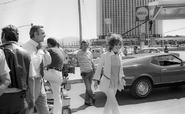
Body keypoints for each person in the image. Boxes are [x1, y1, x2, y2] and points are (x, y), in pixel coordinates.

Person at [0, 25, 36, 114]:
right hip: (19, 98)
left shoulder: (1, 51)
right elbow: (31, 78)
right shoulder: (26, 53)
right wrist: (32, 98)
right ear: (17, 37)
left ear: (3, 36)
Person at [93, 34, 126, 114]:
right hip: (108, 83)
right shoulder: (105, 55)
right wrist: (96, 80)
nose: (118, 46)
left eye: (119, 44)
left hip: (116, 83)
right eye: (116, 44)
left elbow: (120, 69)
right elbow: (99, 68)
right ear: (111, 45)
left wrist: (122, 78)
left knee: (109, 103)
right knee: (114, 105)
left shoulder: (119, 55)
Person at [22, 25, 51, 114]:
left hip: (40, 81)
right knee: (29, 109)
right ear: (35, 34)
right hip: (32, 83)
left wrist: (44, 51)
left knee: (44, 110)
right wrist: (41, 51)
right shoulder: (27, 47)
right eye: (42, 33)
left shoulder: (40, 47)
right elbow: (34, 65)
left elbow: (48, 62)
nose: (45, 35)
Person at [44, 37, 67, 114]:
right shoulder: (60, 50)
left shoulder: (50, 50)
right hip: (58, 75)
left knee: (36, 72)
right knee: (57, 97)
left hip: (51, 73)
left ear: (49, 44)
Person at [76, 40, 95, 106]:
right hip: (84, 73)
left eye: (86, 45)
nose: (85, 46)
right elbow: (74, 59)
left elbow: (91, 62)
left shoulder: (89, 53)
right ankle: (93, 96)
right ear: (81, 45)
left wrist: (94, 70)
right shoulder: (78, 53)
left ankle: (87, 101)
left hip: (91, 71)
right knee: (88, 88)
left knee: (88, 87)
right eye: (84, 45)